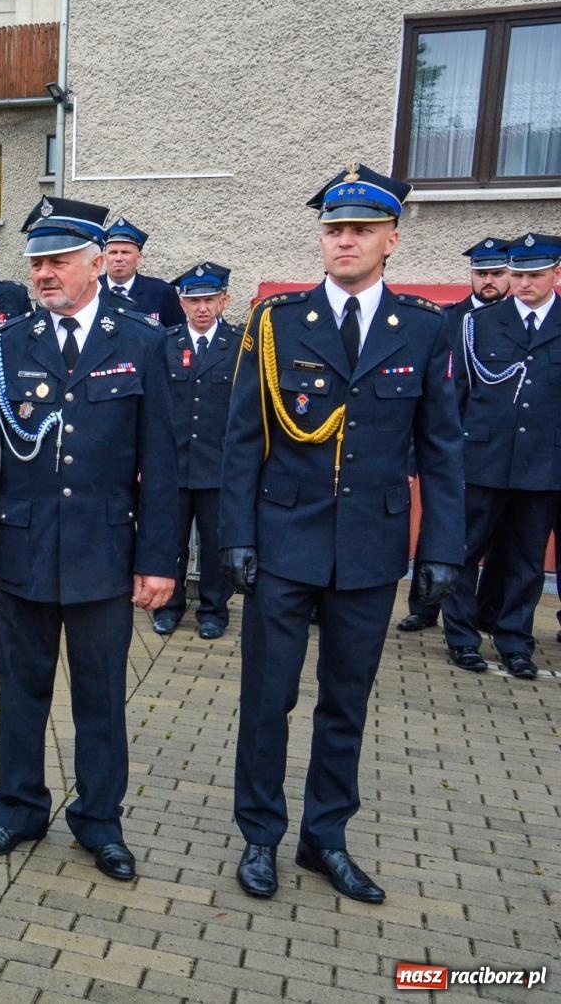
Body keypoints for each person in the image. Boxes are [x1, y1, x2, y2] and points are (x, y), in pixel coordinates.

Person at [220, 163, 463, 904]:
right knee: (267, 700)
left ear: (392, 239)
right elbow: (242, 440)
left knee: (345, 703)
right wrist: (237, 534)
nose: (345, 241)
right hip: (283, 541)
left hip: (369, 549)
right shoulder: (277, 323)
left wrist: (442, 548)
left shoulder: (423, 327)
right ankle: (260, 836)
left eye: (361, 229)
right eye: (334, 230)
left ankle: (325, 837)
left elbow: (442, 448)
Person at [0, 196, 179, 880]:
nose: (44, 274)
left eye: (57, 261)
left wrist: (158, 559)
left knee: (100, 698)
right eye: (36, 263)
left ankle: (99, 821)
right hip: (21, 548)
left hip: (104, 552)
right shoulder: (7, 343)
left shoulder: (141, 341)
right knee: (20, 694)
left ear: (95, 263)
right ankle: (19, 808)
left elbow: (162, 462)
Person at [441, 233, 561, 679]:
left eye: (536, 275)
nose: (525, 283)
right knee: (464, 552)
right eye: (518, 274)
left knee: (526, 562)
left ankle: (515, 641)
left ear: (556, 273)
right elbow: (456, 395)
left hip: (543, 464)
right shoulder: (479, 324)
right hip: (483, 457)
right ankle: (462, 638)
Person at [397, 237, 512, 633]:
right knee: (441, 525)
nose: (489, 280)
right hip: (449, 442)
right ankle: (424, 606)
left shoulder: (517, 323)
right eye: (481, 273)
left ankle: (485, 614)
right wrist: (413, 457)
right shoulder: (447, 320)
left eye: (497, 273)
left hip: (496, 449)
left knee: (497, 539)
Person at [152, 263, 241, 639]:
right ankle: (167, 606)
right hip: (172, 464)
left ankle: (213, 611)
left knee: (215, 542)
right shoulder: (164, 343)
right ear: (182, 304)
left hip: (217, 464)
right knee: (168, 540)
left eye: (209, 300)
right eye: (194, 301)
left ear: (224, 300)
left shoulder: (238, 345)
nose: (202, 308)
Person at [100, 217, 185, 327]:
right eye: (113, 252)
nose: (118, 258)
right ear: (104, 257)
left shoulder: (162, 293)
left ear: (139, 257)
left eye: (125, 252)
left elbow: (176, 335)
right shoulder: (89, 289)